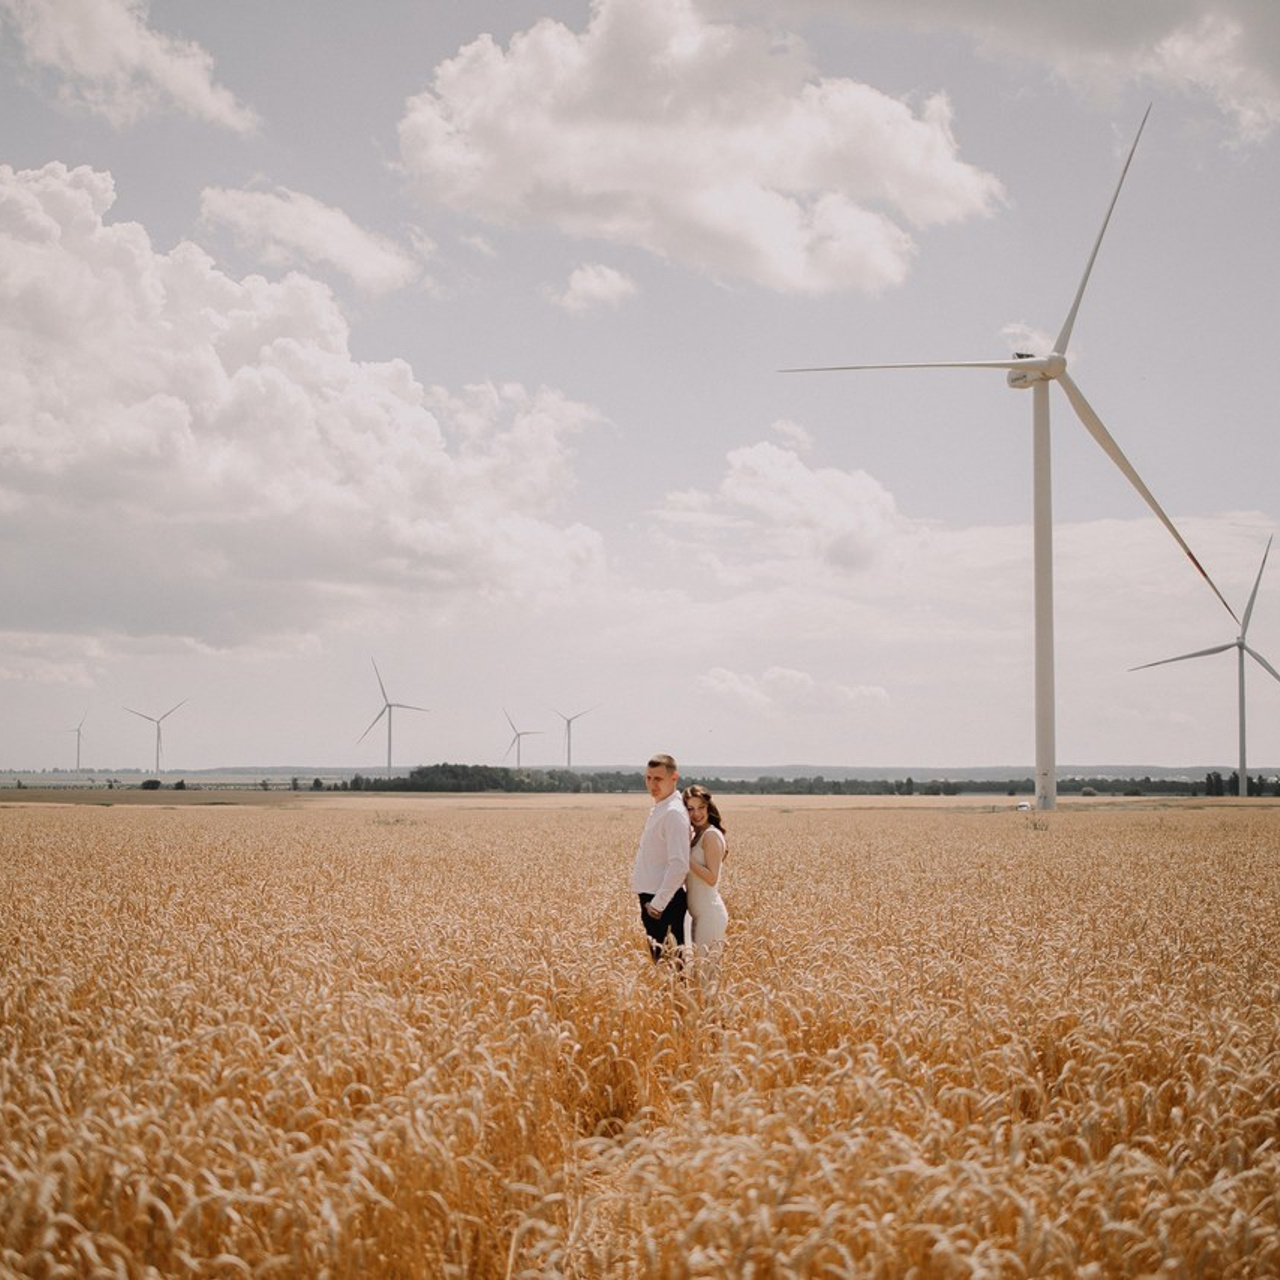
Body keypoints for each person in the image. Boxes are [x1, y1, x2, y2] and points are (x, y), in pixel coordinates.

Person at [631, 753, 691, 964]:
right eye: (648, 778)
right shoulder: (662, 807)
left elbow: (679, 864)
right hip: (654, 899)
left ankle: (678, 999)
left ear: (674, 778)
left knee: (672, 966)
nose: (652, 784)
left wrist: (658, 904)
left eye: (658, 779)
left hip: (663, 904)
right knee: (664, 964)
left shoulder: (673, 813)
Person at [683, 784, 729, 978]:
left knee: (705, 978)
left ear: (709, 807)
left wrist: (685, 856)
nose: (696, 814)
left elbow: (712, 878)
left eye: (701, 807)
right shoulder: (696, 835)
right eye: (690, 808)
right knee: (696, 975)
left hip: (710, 915)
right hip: (694, 915)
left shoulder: (711, 835)